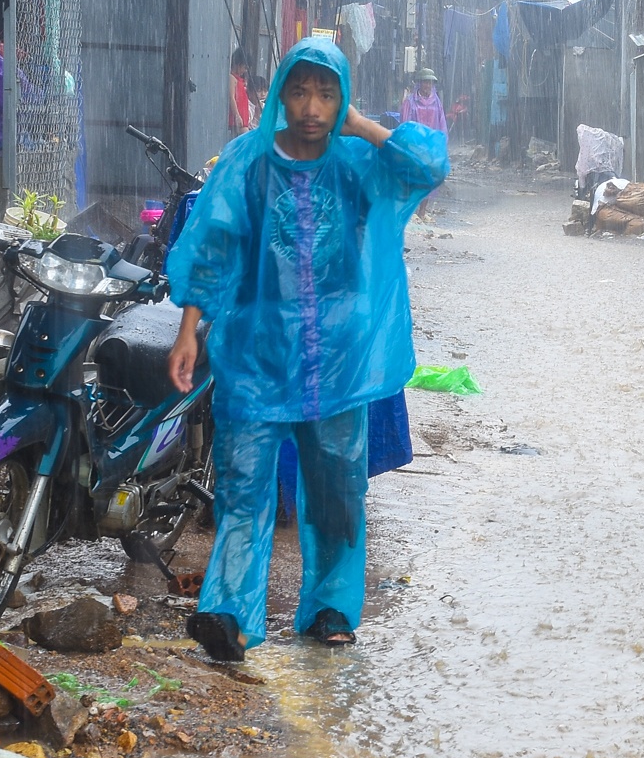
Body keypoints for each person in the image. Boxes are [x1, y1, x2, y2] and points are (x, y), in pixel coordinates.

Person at [165, 36, 449, 661]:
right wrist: (189, 330)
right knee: (243, 488)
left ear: (341, 98)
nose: (312, 106)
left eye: (326, 92)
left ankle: (328, 609)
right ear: (279, 95)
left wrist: (361, 124)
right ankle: (230, 615)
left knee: (338, 492)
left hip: (339, 361)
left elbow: (428, 167)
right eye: (300, 90)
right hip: (257, 354)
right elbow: (211, 249)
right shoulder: (248, 161)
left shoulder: (358, 163)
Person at [399, 68, 447, 221]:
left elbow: (441, 122)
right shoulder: (410, 102)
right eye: (425, 82)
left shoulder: (436, 102)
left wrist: (442, 142)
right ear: (419, 83)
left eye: (430, 82)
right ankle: (411, 211)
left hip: (430, 147)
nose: (427, 85)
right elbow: (405, 123)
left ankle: (422, 211)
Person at [229, 47, 254, 133]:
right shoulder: (232, 78)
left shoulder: (240, 79)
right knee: (247, 142)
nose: (245, 71)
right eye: (245, 67)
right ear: (238, 64)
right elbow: (231, 98)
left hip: (243, 118)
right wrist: (237, 115)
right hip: (238, 118)